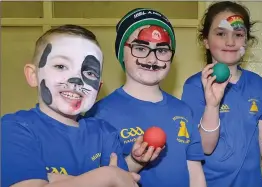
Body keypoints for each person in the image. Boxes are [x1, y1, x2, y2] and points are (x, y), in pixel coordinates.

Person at [1, 24, 155, 187]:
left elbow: (123, 180)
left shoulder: (105, 133)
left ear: (98, 88)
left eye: (89, 73)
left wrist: (52, 178)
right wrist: (107, 176)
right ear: (33, 75)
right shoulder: (14, 128)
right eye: (61, 66)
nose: (76, 79)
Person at [85, 8, 206, 187]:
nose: (152, 59)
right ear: (121, 53)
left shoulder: (183, 110)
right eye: (140, 48)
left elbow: (195, 175)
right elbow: (96, 180)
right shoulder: (98, 114)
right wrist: (135, 161)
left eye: (162, 50)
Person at [181, 1, 262, 187]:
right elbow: (204, 148)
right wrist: (212, 106)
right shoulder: (194, 86)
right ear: (206, 40)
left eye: (238, 34)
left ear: (246, 41)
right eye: (221, 33)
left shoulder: (257, 84)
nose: (230, 42)